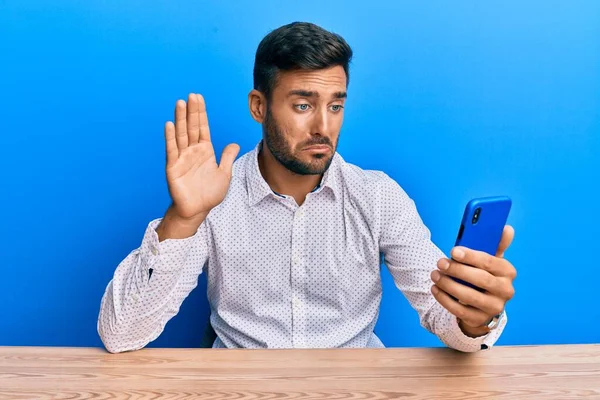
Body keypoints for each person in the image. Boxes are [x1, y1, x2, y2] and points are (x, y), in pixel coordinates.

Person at [97, 22, 516, 353]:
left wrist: (472, 318)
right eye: (302, 105)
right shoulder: (215, 199)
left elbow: (445, 318)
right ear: (258, 107)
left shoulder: (377, 196)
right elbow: (120, 333)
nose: (323, 126)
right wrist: (184, 218)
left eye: (336, 105)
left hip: (354, 388)